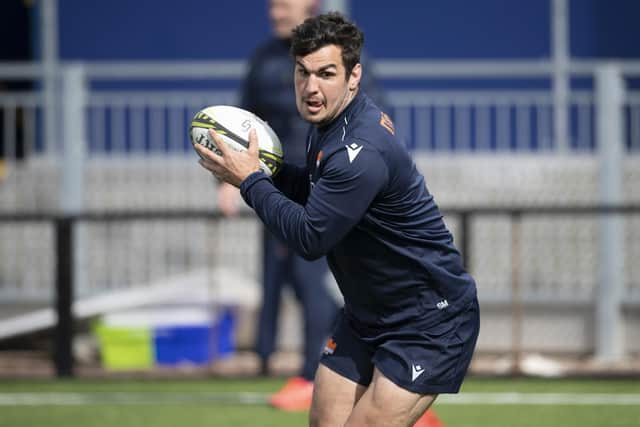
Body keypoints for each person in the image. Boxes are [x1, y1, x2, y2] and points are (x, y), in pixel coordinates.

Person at [197, 11, 480, 427]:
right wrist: (263, 168)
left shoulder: (360, 151)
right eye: (303, 73)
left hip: (427, 319)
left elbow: (311, 238)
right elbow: (315, 186)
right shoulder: (329, 122)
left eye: (326, 73)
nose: (311, 88)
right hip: (366, 313)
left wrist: (251, 181)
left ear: (353, 75)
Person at [216, 0, 339, 412]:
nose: (274, 13)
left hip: (323, 184)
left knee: (308, 278)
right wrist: (227, 179)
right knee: (285, 278)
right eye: (272, 5)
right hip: (274, 183)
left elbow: (372, 110)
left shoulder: (334, 53)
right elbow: (242, 117)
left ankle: (311, 375)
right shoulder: (265, 57)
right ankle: (345, 348)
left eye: (283, 5)